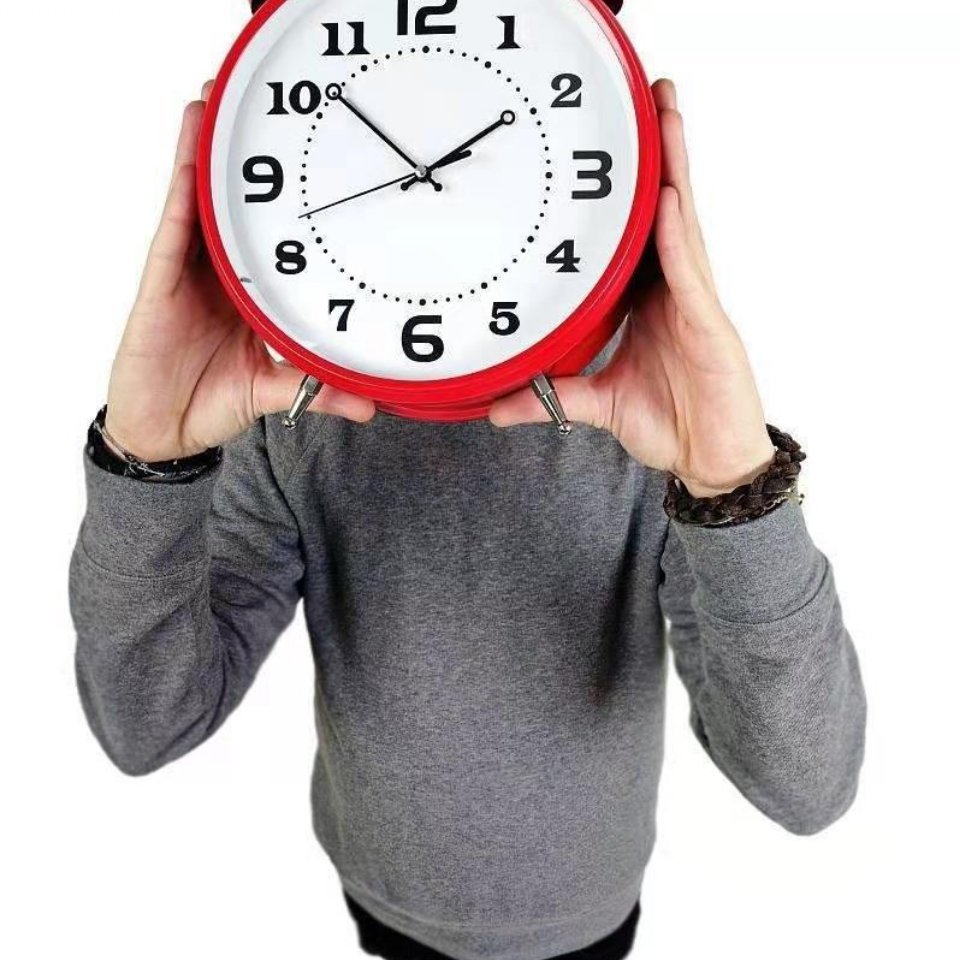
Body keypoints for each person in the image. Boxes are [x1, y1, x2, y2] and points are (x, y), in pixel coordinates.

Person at [68, 2, 866, 958]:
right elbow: (146, 725)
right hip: (377, 895)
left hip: (591, 913)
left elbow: (807, 784)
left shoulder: (652, 422)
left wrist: (733, 485)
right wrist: (147, 462)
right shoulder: (289, 413)